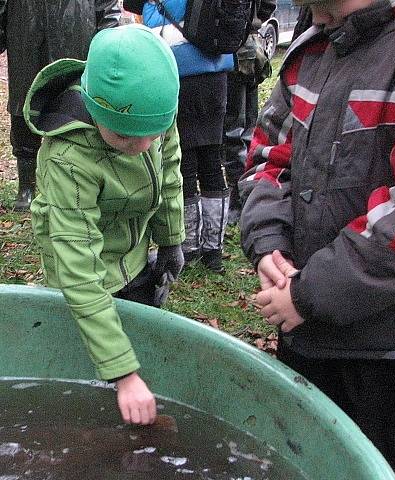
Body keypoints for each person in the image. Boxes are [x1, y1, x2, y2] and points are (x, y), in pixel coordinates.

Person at [239, 0, 395, 479]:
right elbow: (268, 158)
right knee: (305, 460)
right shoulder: (314, 50)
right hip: (303, 319)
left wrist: (312, 293)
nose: (308, 13)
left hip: (392, 346)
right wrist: (269, 242)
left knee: (386, 466)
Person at [25, 24, 185, 425]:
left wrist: (170, 241)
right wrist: (123, 373)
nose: (144, 146)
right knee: (93, 373)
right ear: (97, 111)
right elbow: (78, 269)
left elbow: (168, 173)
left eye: (154, 134)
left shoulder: (155, 111)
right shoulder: (67, 158)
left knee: (139, 330)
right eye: (126, 138)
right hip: (82, 265)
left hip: (133, 251)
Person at [124, 0, 234, 273]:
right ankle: (213, 250)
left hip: (175, 73)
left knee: (184, 162)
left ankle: (189, 244)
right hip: (214, 74)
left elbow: (133, 11)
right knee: (211, 160)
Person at [0, 0, 121, 212]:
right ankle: (26, 186)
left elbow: (108, 8)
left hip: (76, 36)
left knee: (78, 115)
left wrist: (107, 42)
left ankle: (84, 182)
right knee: (24, 114)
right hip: (27, 38)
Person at [222, 0, 276, 226]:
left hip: (239, 51)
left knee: (238, 131)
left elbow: (267, 5)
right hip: (246, 48)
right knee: (245, 130)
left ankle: (239, 200)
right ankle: (243, 196)